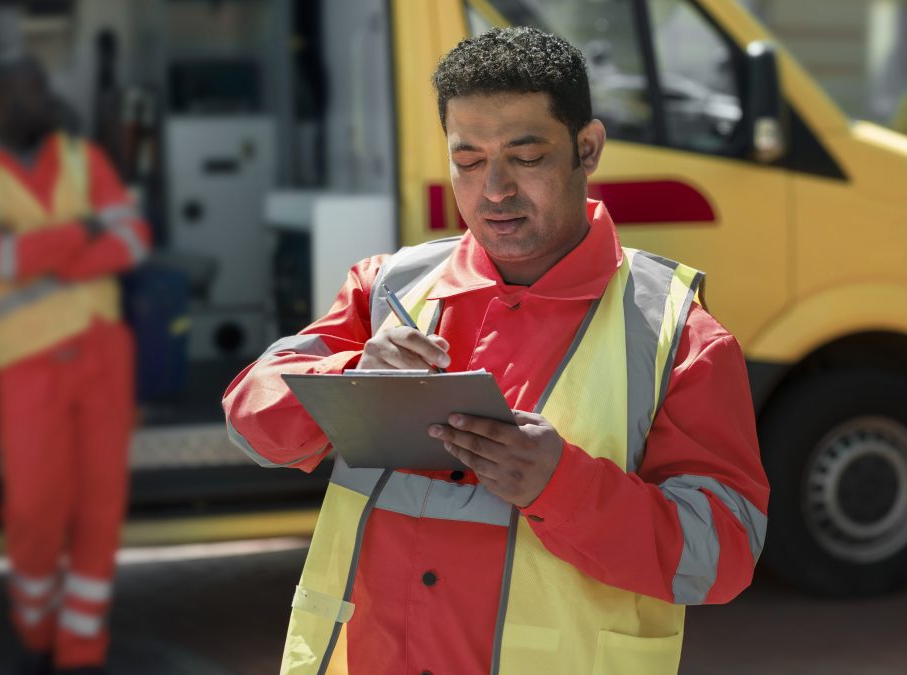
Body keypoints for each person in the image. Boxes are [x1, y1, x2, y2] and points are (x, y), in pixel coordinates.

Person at [224, 27, 769, 675]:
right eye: (469, 159)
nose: (494, 189)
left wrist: (562, 487)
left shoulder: (679, 335)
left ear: (587, 148)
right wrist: (353, 376)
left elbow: (724, 556)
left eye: (526, 155)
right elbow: (249, 423)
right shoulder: (389, 289)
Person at [0, 6, 150, 675]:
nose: (49, 98)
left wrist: (46, 250)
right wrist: (76, 235)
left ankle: (80, 648)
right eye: (34, 88)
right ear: (0, 99)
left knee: (100, 505)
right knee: (32, 510)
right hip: (27, 362)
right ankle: (35, 630)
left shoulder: (83, 159)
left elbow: (132, 240)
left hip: (102, 352)